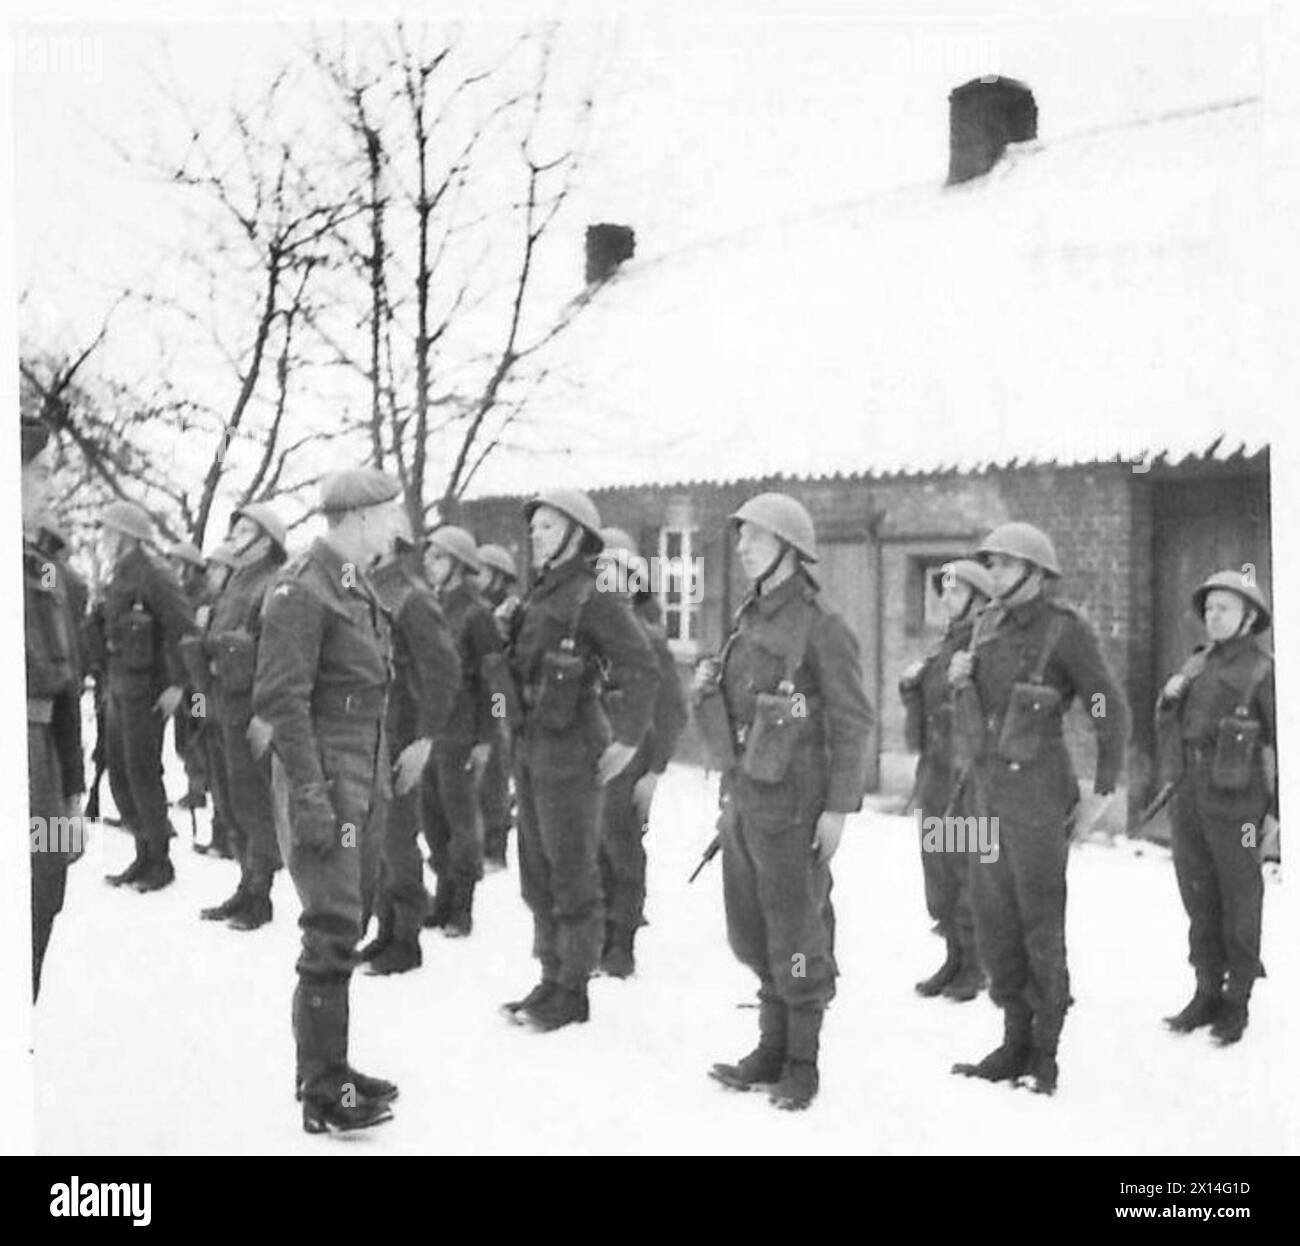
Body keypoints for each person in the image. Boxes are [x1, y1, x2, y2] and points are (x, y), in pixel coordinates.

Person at [694, 492, 873, 1111]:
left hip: (796, 806)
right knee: (752, 930)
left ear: (789, 549)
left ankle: (802, 1061)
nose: (741, 547)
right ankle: (770, 1049)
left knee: (796, 933)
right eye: (741, 537)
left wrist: (838, 809)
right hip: (746, 799)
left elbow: (852, 721)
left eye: (755, 537)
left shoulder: (821, 627)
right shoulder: (749, 619)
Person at [948, 522, 1127, 1096]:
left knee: (1039, 923)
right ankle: (1012, 1037)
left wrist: (1103, 787)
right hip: (986, 797)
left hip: (1037, 800)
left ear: (1034, 570)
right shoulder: (984, 625)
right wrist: (961, 678)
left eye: (1001, 564)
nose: (992, 574)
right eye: (990, 564)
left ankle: (1044, 1053)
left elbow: (1107, 706)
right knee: (992, 917)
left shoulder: (1064, 631)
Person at [253, 467, 405, 1134]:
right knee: (331, 926)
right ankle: (324, 1092)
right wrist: (312, 796)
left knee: (351, 914)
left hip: (360, 769)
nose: (397, 527)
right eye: (390, 515)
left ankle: (332, 1067)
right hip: (328, 773)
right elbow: (281, 699)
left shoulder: (352, 582)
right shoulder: (302, 587)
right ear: (361, 517)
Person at [501, 489, 658, 1032]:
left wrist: (629, 739)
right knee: (536, 871)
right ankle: (551, 975)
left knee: (571, 871)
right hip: (533, 744)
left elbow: (641, 665)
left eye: (548, 527)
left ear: (575, 534)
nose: (536, 535)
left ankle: (573, 989)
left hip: (572, 748)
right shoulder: (541, 593)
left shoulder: (595, 593)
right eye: (535, 527)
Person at [1156, 570, 1275, 1045]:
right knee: (1198, 895)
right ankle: (1205, 991)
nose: (1213, 616)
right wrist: (1168, 699)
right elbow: (1172, 724)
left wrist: (1279, 814)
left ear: (1248, 616)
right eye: (1209, 609)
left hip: (1240, 803)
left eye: (1224, 608)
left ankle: (1237, 1000)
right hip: (1191, 794)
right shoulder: (1196, 664)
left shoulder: (1265, 671)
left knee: (1240, 897)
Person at [360, 532, 460, 973]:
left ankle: (406, 938)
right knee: (376, 835)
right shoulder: (365, 588)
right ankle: (386, 929)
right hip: (370, 729)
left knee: (398, 836)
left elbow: (444, 670)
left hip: (402, 732)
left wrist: (426, 738)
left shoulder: (411, 598)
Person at [187, 505, 290, 929]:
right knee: (231, 798)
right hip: (225, 701)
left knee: (253, 802)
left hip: (252, 706)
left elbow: (275, 653)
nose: (236, 536)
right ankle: (246, 883)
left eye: (246, 529)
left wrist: (268, 715)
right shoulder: (237, 582)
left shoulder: (272, 584)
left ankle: (259, 895)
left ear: (266, 541)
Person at [898, 559, 994, 1002]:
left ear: (978, 598)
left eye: (956, 592)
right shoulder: (945, 646)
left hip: (967, 773)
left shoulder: (985, 644)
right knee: (938, 866)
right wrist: (911, 687)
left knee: (967, 866)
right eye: (945, 592)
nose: (946, 599)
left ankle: (976, 965)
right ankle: (954, 956)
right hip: (937, 770)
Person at [595, 527, 688, 977]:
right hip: (593, 756)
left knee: (622, 849)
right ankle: (598, 937)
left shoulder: (647, 636)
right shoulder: (594, 630)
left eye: (615, 575)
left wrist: (655, 769)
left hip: (632, 759)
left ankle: (621, 944)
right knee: (592, 849)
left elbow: (672, 708)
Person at [94, 500, 198, 892]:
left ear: (124, 534)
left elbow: (185, 629)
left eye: (108, 530)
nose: (103, 537)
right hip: (119, 687)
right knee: (119, 773)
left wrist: (178, 684)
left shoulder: (155, 572)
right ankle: (142, 852)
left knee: (142, 773)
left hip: (148, 691)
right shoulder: (118, 572)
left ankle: (160, 861)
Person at [22, 417, 85, 999]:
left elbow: (67, 685)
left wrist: (72, 792)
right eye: (39, 473)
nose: (49, 488)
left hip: (40, 758)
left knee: (44, 890)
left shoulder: (46, 571)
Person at [421, 526, 506, 938]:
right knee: (433, 820)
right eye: (429, 556)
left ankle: (463, 906)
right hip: (431, 731)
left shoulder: (477, 614)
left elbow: (496, 683)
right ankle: (442, 896)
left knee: (462, 825)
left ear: (457, 563)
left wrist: (487, 739)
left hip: (463, 732)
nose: (429, 564)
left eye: (438, 557)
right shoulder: (431, 605)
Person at [475, 543, 520, 870]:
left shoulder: (510, 610)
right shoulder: (479, 608)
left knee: (495, 770)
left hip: (500, 695)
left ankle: (496, 845)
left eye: (483, 572)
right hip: (482, 693)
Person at [168, 540, 216, 821]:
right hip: (183, 680)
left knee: (197, 735)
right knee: (185, 735)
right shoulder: (182, 594)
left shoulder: (204, 597)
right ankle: (194, 784)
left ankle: (198, 787)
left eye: (178, 563)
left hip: (197, 684)